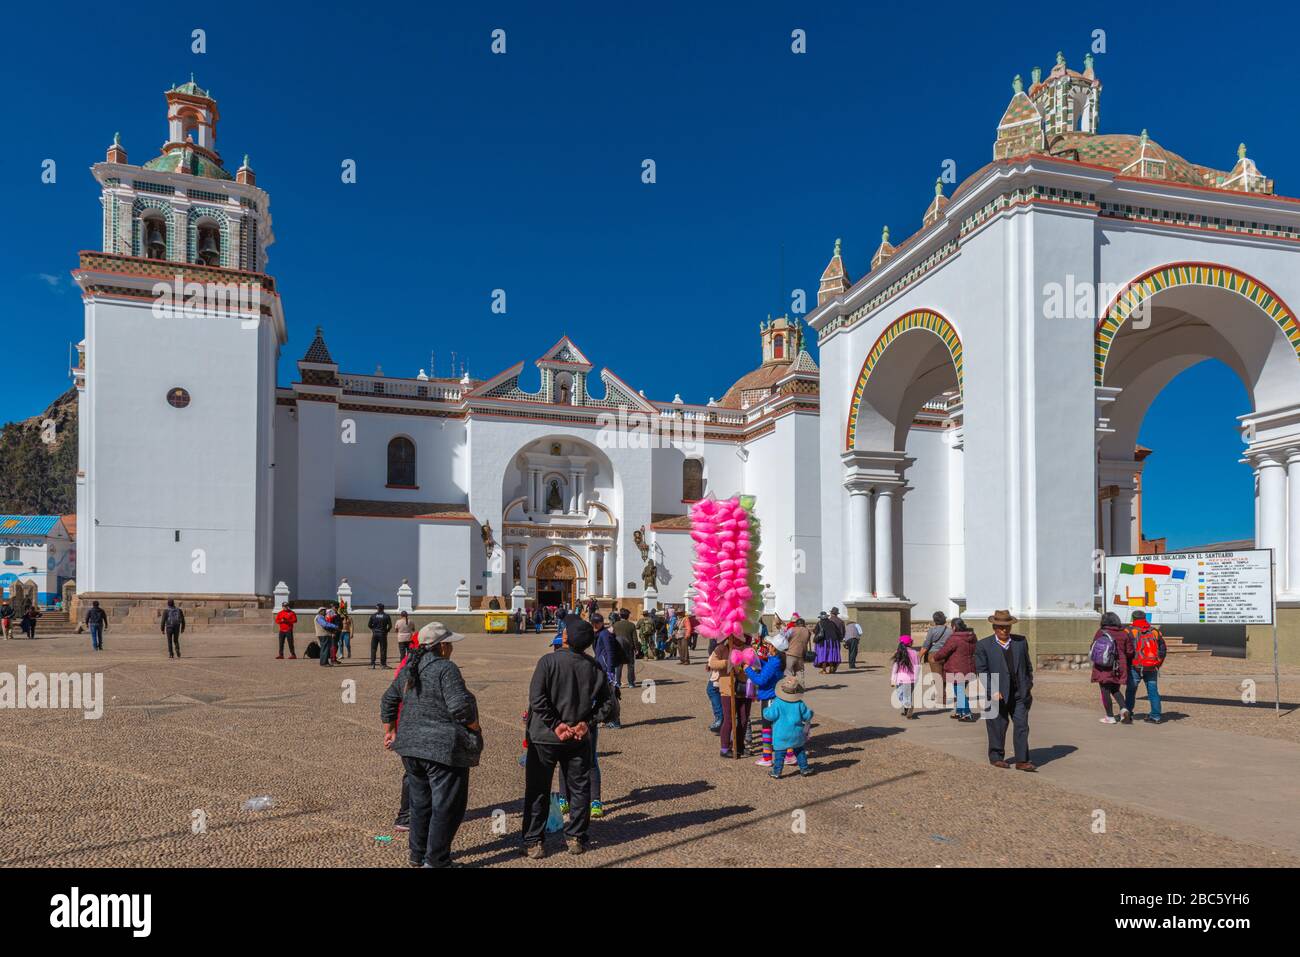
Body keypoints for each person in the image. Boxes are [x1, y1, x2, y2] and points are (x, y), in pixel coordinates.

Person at [380, 622, 481, 868]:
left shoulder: (410, 669)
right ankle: (436, 861)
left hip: (411, 749)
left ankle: (417, 855)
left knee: (420, 804)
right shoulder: (446, 669)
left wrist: (391, 730)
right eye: (450, 645)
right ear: (443, 646)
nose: (452, 649)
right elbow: (460, 706)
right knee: (446, 807)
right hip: (442, 750)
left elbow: (388, 699)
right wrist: (475, 727)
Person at [521, 615, 613, 858]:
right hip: (578, 738)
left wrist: (556, 724)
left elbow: (537, 700)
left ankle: (533, 841)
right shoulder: (595, 667)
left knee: (537, 789)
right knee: (579, 788)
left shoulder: (548, 662)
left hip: (544, 737)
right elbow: (608, 705)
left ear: (564, 637)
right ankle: (575, 837)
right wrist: (587, 722)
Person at [974, 610, 1035, 771]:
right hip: (996, 694)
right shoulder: (983, 645)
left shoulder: (1020, 642)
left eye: (1007, 627)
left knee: (1022, 725)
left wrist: (1028, 684)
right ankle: (996, 756)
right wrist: (992, 689)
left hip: (1019, 693)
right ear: (994, 627)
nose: (1004, 630)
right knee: (997, 725)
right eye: (1001, 627)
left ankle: (1022, 760)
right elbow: (981, 671)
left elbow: (1028, 666)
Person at [745, 633, 789, 768]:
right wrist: (758, 661)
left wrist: (748, 669)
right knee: (779, 727)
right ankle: (789, 755)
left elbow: (760, 680)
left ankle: (767, 757)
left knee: (767, 728)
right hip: (774, 696)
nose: (767, 646)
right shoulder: (777, 660)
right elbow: (767, 668)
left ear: (774, 648)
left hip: (769, 697)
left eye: (770, 645)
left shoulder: (774, 662)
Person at [708, 633, 754, 758]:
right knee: (729, 719)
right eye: (736, 636)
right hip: (727, 687)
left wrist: (748, 667)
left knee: (744, 719)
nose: (738, 638)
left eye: (741, 635)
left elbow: (756, 665)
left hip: (745, 688)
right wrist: (729, 662)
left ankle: (739, 746)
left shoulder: (748, 648)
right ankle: (724, 748)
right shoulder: (722, 648)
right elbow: (712, 663)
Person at [764, 677, 815, 778]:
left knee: (779, 754)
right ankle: (804, 768)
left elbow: (770, 716)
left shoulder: (777, 702)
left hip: (780, 734)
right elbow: (807, 716)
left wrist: (766, 710)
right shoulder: (799, 703)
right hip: (796, 733)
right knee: (799, 751)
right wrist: (811, 712)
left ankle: (777, 772)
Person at [1122, 610, 1166, 724]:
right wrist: (1157, 664)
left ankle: (1128, 713)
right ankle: (1156, 716)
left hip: (1134, 666)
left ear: (1133, 618)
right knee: (1153, 691)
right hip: (1152, 667)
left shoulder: (1128, 631)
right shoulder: (1155, 631)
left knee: (1131, 691)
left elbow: (1125, 649)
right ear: (1145, 618)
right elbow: (1163, 649)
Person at [933, 617, 977, 721]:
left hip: (957, 669)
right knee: (960, 690)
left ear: (954, 627)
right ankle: (959, 712)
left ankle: (967, 713)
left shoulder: (954, 638)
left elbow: (944, 651)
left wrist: (935, 657)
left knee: (959, 691)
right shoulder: (972, 637)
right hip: (970, 668)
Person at [1090, 611, 1130, 724]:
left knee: (1105, 690)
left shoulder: (1101, 632)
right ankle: (1124, 709)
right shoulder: (1124, 633)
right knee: (1115, 689)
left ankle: (1110, 717)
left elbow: (1093, 647)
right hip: (1119, 666)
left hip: (1104, 666)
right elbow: (1130, 651)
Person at [890, 635, 920, 719]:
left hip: (901, 679)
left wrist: (893, 679)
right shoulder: (915, 652)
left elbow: (895, 667)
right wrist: (916, 677)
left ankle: (908, 706)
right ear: (910, 643)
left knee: (900, 695)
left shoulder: (898, 652)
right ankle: (907, 711)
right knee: (908, 695)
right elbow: (917, 666)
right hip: (912, 679)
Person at [611, 608, 638, 688]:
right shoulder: (631, 625)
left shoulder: (615, 625)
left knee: (618, 666)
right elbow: (635, 638)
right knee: (630, 666)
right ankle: (631, 683)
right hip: (629, 647)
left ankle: (618, 683)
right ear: (628, 616)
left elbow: (612, 636)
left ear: (620, 615)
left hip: (618, 647)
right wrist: (636, 648)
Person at [815, 610, 844, 674]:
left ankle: (824, 670)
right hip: (833, 642)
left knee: (824, 655)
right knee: (831, 654)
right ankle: (831, 668)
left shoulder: (819, 623)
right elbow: (838, 632)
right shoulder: (832, 623)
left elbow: (816, 632)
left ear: (821, 617)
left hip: (823, 642)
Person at [369, 602, 393, 670]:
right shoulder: (386, 616)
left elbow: (369, 625)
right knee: (383, 649)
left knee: (373, 649)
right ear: (383, 608)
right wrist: (386, 631)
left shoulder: (373, 615)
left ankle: (372, 664)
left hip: (375, 634)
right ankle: (383, 664)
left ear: (377, 608)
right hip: (382, 634)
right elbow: (390, 626)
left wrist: (373, 629)